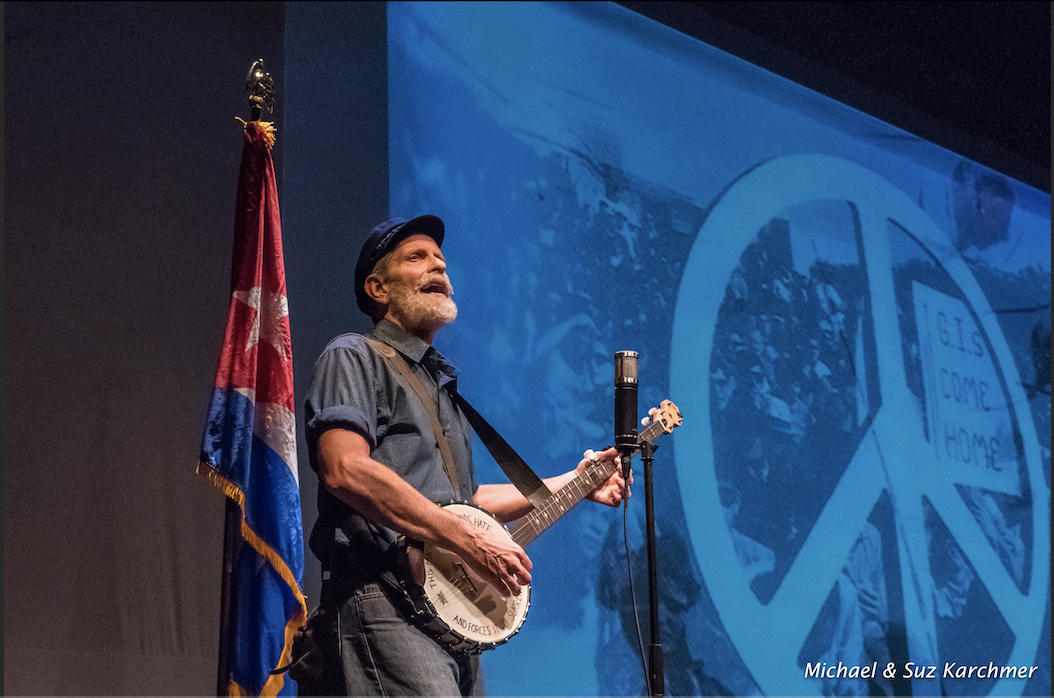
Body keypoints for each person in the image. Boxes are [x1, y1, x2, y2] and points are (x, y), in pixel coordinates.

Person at [294, 214, 629, 696]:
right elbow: (344, 468)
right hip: (384, 597)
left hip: (448, 612)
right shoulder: (354, 355)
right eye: (417, 258)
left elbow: (464, 500)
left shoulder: (442, 388)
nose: (438, 268)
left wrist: (575, 482)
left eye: (442, 262)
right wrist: (467, 540)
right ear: (378, 287)